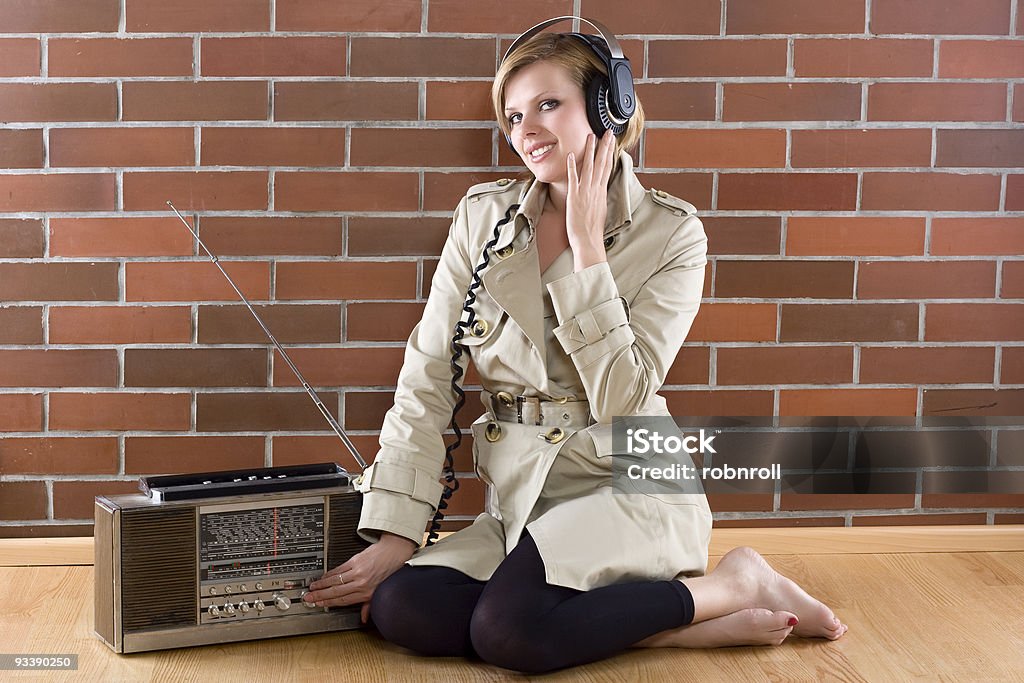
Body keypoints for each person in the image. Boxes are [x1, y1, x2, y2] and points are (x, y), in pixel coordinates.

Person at [302, 18, 847, 674]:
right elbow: (428, 374)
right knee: (401, 606)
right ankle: (664, 628)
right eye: (512, 116)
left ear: (607, 106)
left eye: (547, 105)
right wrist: (399, 529)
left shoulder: (674, 234)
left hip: (627, 479)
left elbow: (625, 393)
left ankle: (735, 584)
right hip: (524, 493)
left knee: (509, 633)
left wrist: (590, 252)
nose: (525, 130)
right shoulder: (484, 217)